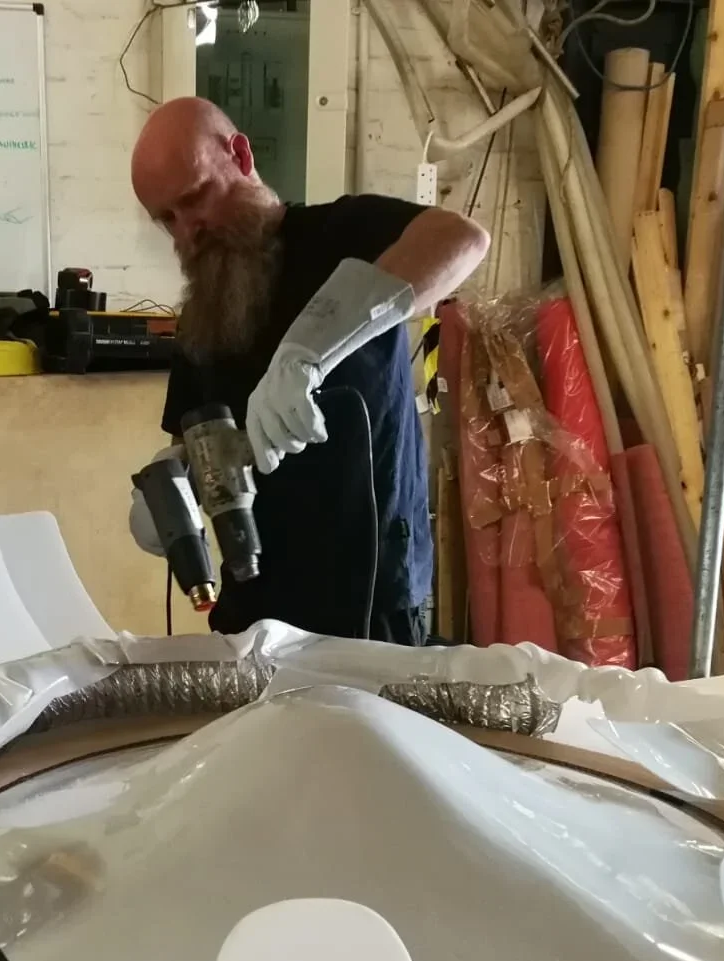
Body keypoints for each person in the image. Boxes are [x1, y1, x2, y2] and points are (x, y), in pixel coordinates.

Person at [127, 98, 489, 644]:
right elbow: (195, 442)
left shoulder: (341, 234)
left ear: (240, 155)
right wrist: (170, 488)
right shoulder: (205, 311)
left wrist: (308, 351)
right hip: (255, 608)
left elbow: (460, 240)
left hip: (373, 600)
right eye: (167, 220)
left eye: (195, 198)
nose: (187, 231)